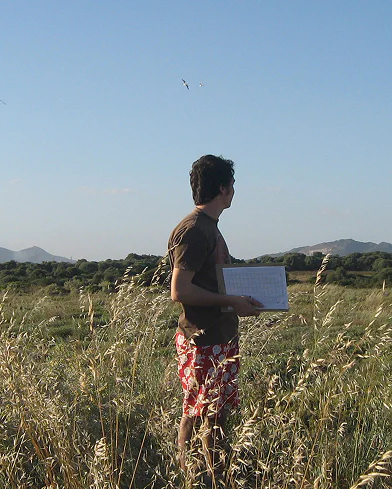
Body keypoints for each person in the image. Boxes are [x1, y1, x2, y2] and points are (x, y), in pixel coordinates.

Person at [167, 154, 262, 482]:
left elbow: (211, 280)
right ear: (222, 188)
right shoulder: (194, 231)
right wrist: (231, 301)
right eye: (232, 184)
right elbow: (179, 290)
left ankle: (205, 477)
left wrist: (243, 297)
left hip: (217, 337)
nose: (235, 190)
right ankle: (203, 478)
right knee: (202, 415)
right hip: (203, 339)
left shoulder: (207, 228)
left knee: (210, 414)